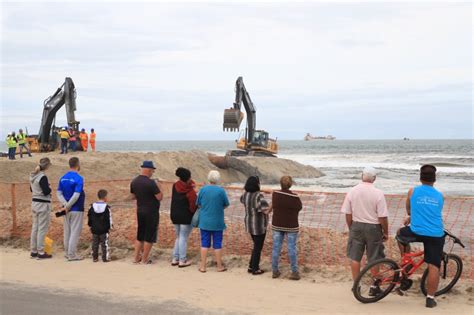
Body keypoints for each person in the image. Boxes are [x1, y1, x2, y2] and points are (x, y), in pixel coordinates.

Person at [396, 165, 445, 308]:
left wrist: (411, 217)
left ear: (420, 177)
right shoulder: (440, 196)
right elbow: (434, 213)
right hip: (436, 234)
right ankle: (430, 298)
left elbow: (410, 209)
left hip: (416, 231)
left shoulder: (412, 191)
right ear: (434, 179)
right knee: (434, 266)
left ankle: (406, 257)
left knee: (400, 233)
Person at [340, 167, 389, 293]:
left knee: (355, 257)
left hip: (356, 224)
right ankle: (374, 286)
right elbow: (382, 216)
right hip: (373, 227)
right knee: (374, 257)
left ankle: (356, 285)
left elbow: (347, 213)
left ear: (362, 176)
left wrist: (351, 226)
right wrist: (386, 231)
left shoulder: (352, 191)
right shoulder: (378, 193)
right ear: (375, 178)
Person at [130, 161, 163, 264]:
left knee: (140, 235)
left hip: (140, 210)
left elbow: (133, 196)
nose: (152, 172)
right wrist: (160, 187)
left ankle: (136, 258)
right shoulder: (151, 183)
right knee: (149, 236)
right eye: (152, 170)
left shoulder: (134, 181)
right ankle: (144, 259)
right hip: (151, 212)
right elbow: (160, 197)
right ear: (149, 170)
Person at [196, 170, 230, 273]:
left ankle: (203, 266)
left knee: (204, 244)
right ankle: (219, 266)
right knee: (217, 244)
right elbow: (226, 204)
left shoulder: (202, 190)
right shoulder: (221, 191)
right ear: (218, 179)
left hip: (205, 221)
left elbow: (198, 204)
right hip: (217, 221)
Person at [271, 176, 303, 280]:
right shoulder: (295, 197)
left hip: (277, 224)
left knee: (276, 248)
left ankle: (275, 271)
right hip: (291, 225)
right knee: (291, 248)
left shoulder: (275, 194)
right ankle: (294, 272)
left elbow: (274, 205)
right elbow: (299, 208)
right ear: (291, 184)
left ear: (280, 184)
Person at [240, 176, 271, 275]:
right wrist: (273, 205)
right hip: (258, 225)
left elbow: (242, 199)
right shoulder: (258, 196)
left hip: (249, 224)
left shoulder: (245, 195)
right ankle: (255, 269)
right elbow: (265, 210)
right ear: (257, 184)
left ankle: (251, 266)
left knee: (256, 246)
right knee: (258, 247)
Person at [57, 157, 86, 261]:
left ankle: (67, 252)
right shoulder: (79, 178)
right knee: (74, 232)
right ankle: (72, 254)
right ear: (78, 164)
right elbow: (76, 195)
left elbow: (59, 193)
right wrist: (68, 205)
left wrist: (65, 205)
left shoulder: (63, 178)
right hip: (76, 208)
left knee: (67, 231)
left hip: (66, 209)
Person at [170, 167, 197, 268]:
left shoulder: (175, 185)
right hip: (186, 217)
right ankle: (182, 260)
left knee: (179, 237)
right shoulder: (190, 192)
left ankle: (175, 258)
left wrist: (192, 185)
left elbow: (186, 184)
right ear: (188, 178)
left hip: (174, 214)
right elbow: (193, 206)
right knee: (183, 238)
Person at [29, 158, 53, 259]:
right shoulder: (43, 177)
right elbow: (46, 191)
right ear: (47, 166)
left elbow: (31, 189)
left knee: (35, 228)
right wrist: (50, 187)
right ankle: (41, 252)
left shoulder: (33, 176)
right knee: (42, 229)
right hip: (43, 204)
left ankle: (33, 251)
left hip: (34, 203)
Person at [87, 189, 113, 262]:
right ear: (105, 197)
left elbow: (89, 217)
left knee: (95, 243)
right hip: (104, 229)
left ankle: (95, 258)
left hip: (94, 228)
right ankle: (105, 258)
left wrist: (90, 225)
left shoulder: (91, 206)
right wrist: (110, 227)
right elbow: (109, 218)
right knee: (104, 244)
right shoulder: (107, 207)